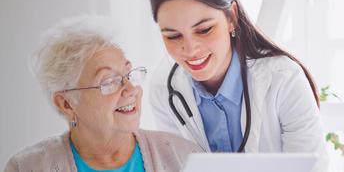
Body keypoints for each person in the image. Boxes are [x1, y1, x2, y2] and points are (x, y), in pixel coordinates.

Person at [149, 0, 327, 171]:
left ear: (231, 17)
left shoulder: (284, 79)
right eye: (173, 36)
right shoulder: (163, 89)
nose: (190, 50)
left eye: (204, 30)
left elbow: (312, 168)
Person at [4, 16, 201, 172]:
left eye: (128, 75)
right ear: (66, 104)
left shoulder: (185, 158)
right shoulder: (27, 167)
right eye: (109, 81)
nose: (131, 90)